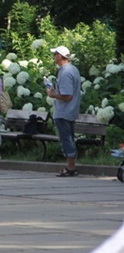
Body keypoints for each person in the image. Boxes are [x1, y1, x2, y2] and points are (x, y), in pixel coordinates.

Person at [47, 46, 81, 177]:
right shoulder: (72, 69)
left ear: (60, 56)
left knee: (66, 139)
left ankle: (71, 167)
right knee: (69, 138)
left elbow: (67, 96)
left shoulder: (66, 72)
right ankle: (71, 165)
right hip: (70, 111)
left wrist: (52, 95)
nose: (54, 56)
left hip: (64, 111)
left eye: (55, 54)